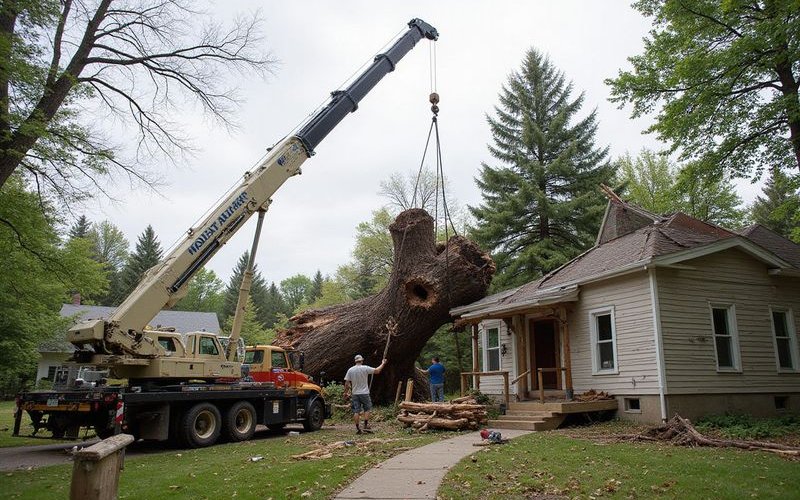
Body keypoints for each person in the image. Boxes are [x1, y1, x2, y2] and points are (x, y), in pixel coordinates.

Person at [343, 354, 387, 434]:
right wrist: (383, 363)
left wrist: (345, 393)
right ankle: (365, 425)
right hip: (365, 393)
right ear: (362, 361)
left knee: (356, 411)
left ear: (355, 361)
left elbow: (346, 383)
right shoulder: (365, 368)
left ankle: (357, 428)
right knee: (367, 409)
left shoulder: (350, 370)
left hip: (355, 393)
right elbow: (377, 371)